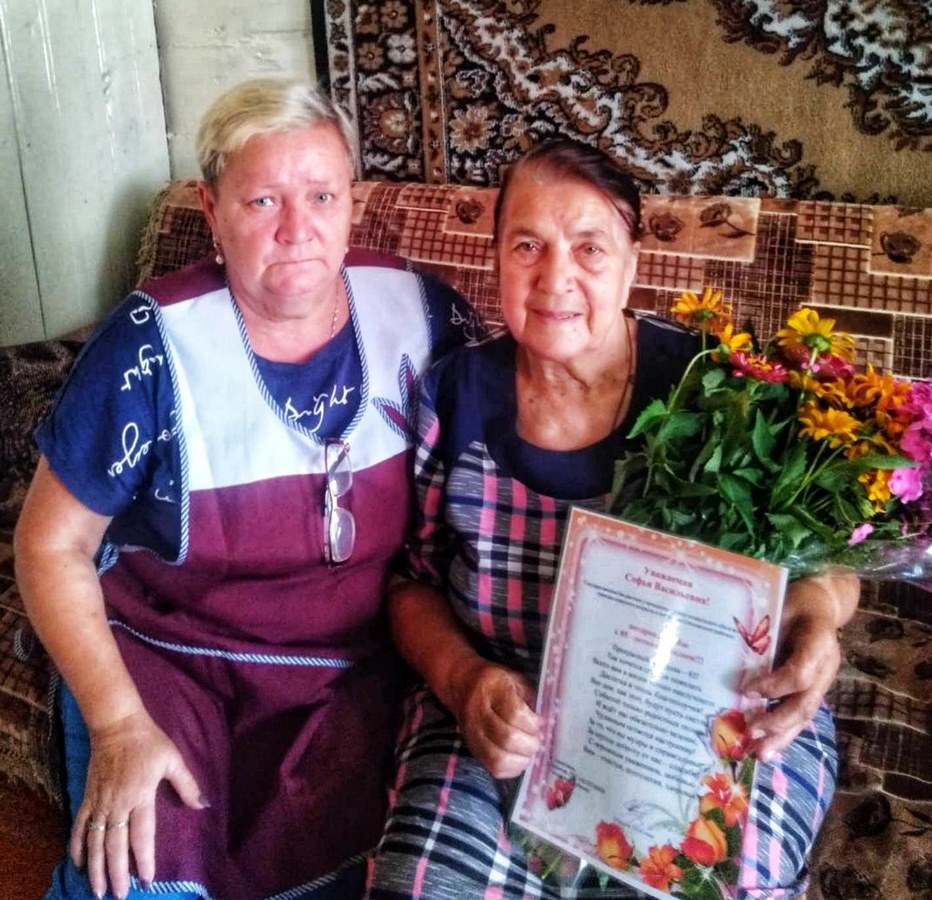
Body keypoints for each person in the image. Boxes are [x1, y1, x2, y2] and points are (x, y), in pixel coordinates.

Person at [14, 78, 482, 900]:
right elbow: (50, 544)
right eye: (263, 200)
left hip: (354, 674)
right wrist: (119, 725)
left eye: (321, 196)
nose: (297, 230)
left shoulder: (421, 314)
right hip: (170, 662)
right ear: (212, 207)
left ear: (354, 201)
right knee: (138, 878)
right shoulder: (150, 344)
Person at [365, 139, 859, 899]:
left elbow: (830, 562)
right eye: (527, 245)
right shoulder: (453, 394)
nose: (555, 277)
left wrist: (817, 616)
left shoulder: (714, 387)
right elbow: (412, 584)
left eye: (589, 248)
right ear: (496, 259)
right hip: (509, 716)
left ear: (632, 265)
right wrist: (464, 682)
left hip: (707, 723)